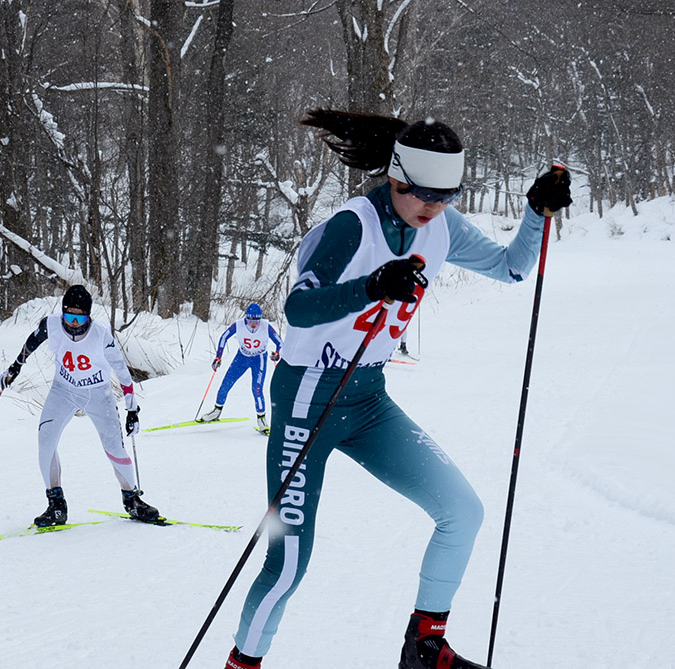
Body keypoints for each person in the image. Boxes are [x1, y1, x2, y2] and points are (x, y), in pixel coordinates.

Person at [223, 109, 571, 669]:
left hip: (367, 399)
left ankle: (424, 647)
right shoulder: (350, 225)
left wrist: (535, 212)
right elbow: (299, 307)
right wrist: (369, 286)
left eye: (448, 195)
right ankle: (244, 663)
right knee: (288, 563)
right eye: (425, 194)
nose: (435, 207)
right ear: (396, 177)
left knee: (463, 510)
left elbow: (510, 268)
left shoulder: (441, 226)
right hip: (307, 402)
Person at [0, 284, 160, 527]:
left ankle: (132, 500)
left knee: (115, 448)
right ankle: (56, 505)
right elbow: (31, 342)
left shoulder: (101, 333)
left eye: (80, 317)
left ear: (89, 315)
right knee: (45, 440)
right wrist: (15, 366)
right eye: (69, 316)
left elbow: (122, 371)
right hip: (63, 390)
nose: (73, 323)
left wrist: (132, 409)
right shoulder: (52, 325)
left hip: (97, 394)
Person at [197, 303, 283, 434]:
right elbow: (224, 337)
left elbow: (280, 342)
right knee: (226, 383)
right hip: (241, 358)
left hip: (259, 359)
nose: (253, 324)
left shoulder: (266, 326)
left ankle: (261, 419)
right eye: (250, 320)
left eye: (256, 321)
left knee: (257, 388)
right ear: (246, 318)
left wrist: (277, 354)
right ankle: (216, 411)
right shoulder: (239, 324)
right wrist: (218, 357)